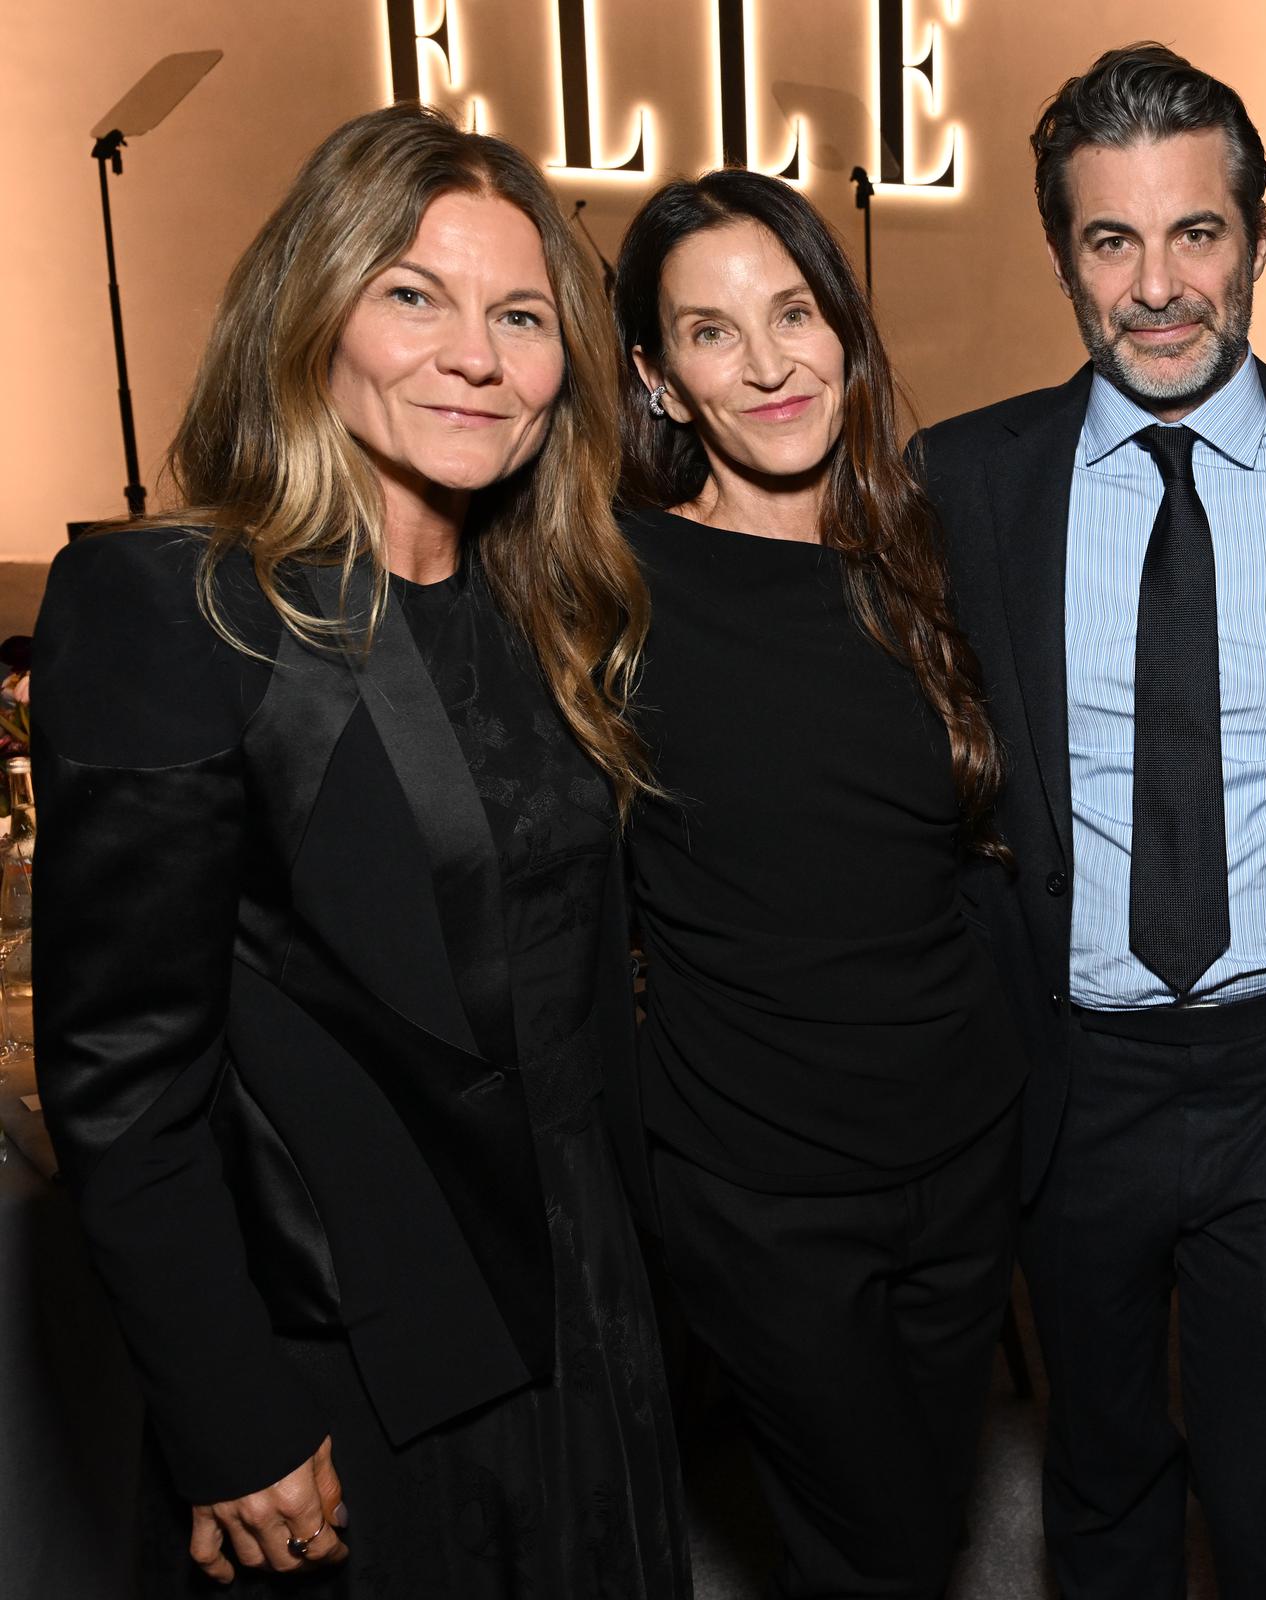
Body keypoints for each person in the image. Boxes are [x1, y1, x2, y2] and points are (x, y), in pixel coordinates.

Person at [34, 105, 687, 1595]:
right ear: (311, 311)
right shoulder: (171, 609)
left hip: (584, 1284)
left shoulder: (560, 616)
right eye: (414, 294)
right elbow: (127, 1088)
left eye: (521, 315)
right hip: (362, 1333)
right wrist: (232, 1416)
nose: (476, 354)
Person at [916, 43, 1266, 1599]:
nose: (1159, 286)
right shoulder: (960, 484)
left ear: (1255, 240)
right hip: (1065, 1070)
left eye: (1196, 233)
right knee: (1099, 1483)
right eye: (1112, 239)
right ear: (1064, 257)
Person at [610, 169, 1024, 1599]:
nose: (773, 362)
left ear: (846, 330)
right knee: (878, 1548)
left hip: (961, 1155)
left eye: (795, 312)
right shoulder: (609, 587)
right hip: (759, 1190)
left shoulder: (925, 557)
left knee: (927, 1515)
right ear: (659, 381)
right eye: (715, 334)